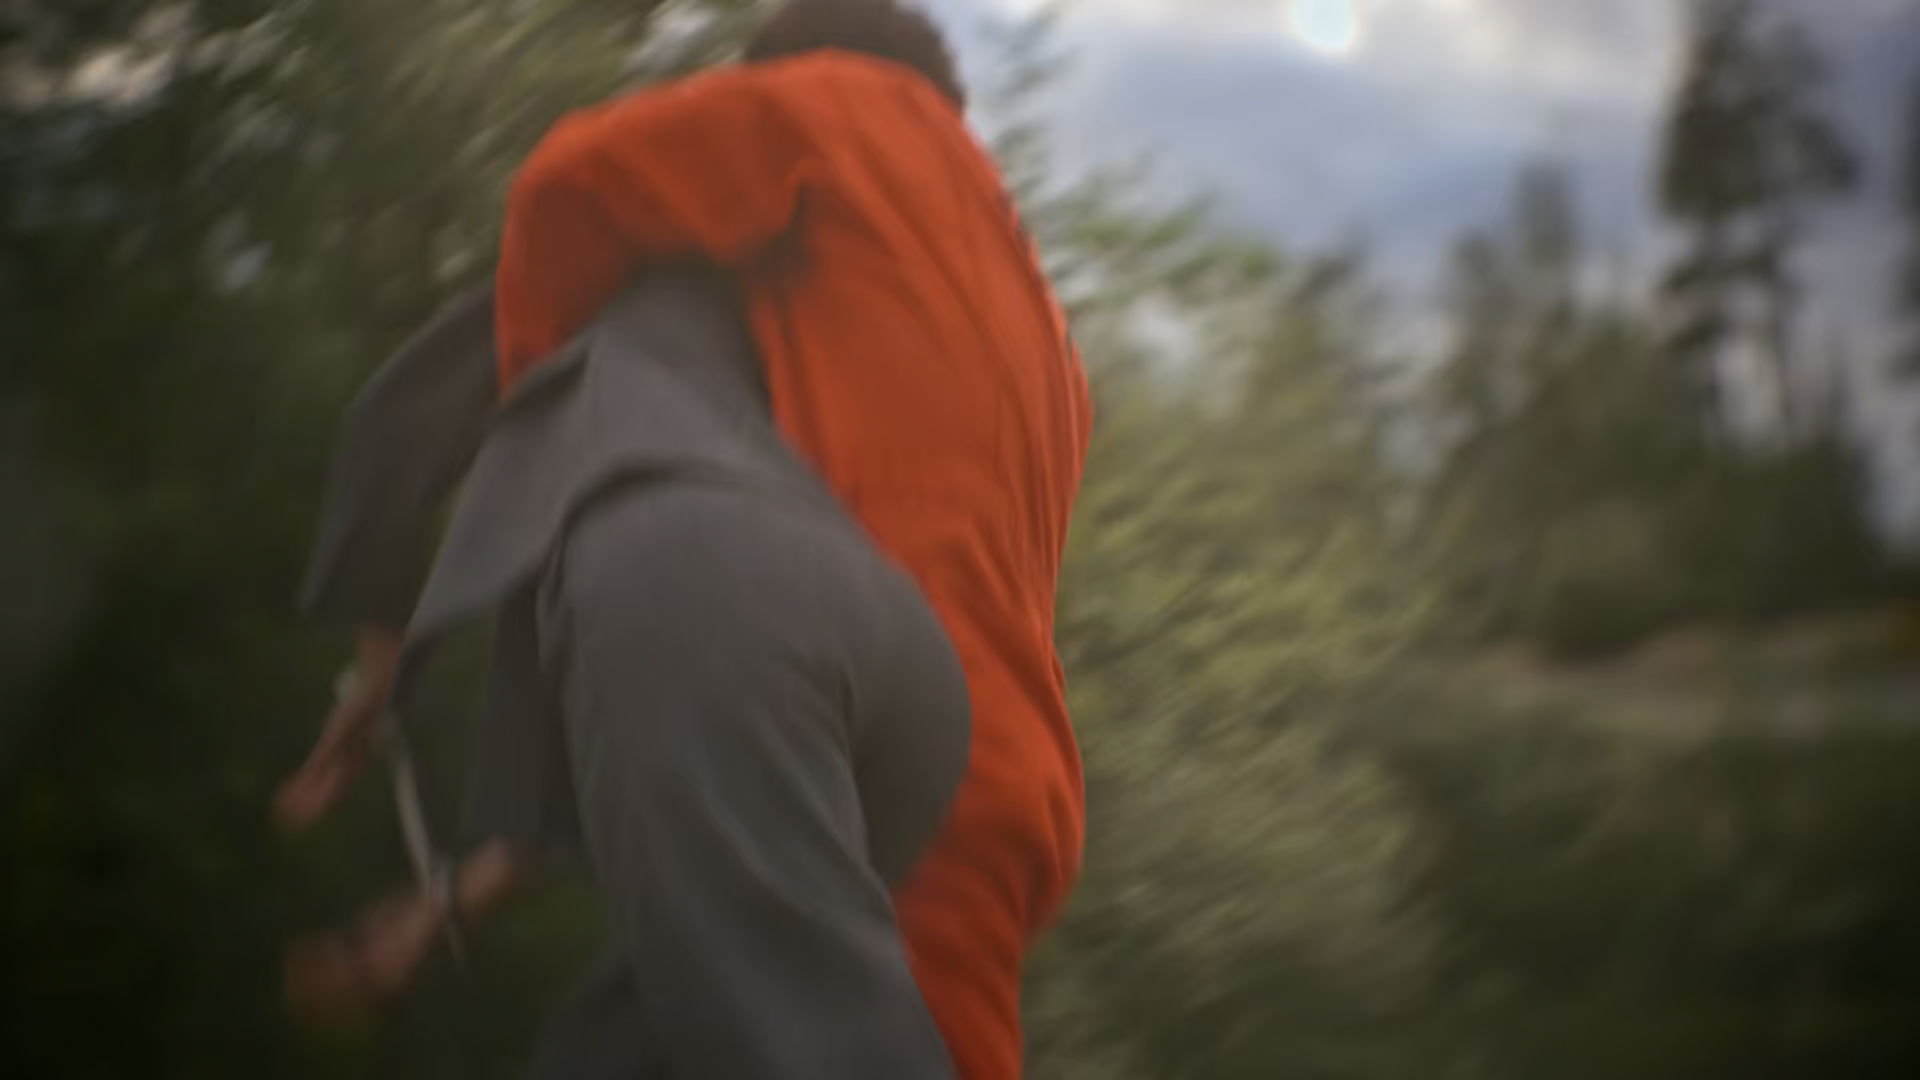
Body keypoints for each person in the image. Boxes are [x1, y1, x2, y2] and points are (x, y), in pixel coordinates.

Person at [283, 0, 1092, 1074]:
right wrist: (456, 904)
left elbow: (572, 179)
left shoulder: (846, 108)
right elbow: (713, 684)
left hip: (875, 759)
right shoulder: (1036, 329)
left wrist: (544, 440)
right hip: (993, 776)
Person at [283, 269, 970, 1079]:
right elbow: (658, 745)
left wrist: (377, 676)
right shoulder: (822, 315)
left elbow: (391, 427)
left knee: (797, 1040)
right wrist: (441, 911)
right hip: (908, 661)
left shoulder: (588, 270)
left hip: (706, 585)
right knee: (631, 1046)